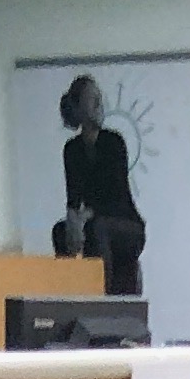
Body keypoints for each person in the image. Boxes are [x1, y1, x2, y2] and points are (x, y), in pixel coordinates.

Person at [53, 73, 146, 302]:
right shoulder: (72, 149)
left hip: (127, 225)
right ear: (78, 107)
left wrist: (84, 217)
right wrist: (73, 223)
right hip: (94, 221)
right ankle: (68, 296)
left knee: (97, 229)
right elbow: (73, 197)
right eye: (91, 98)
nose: (98, 104)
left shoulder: (114, 142)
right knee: (60, 231)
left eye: (99, 98)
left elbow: (116, 198)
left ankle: (101, 299)